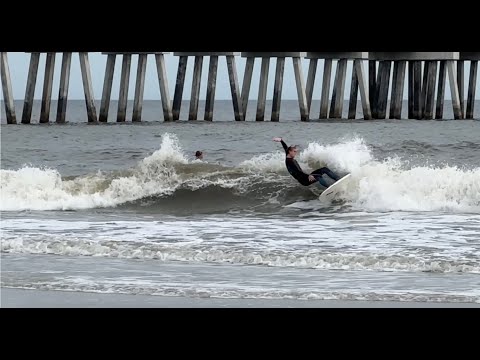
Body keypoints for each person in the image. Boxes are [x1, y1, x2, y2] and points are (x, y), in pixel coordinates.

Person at [273, 137, 340, 189]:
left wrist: (281, 140)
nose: (296, 153)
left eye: (296, 151)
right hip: (304, 180)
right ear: (290, 152)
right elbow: (298, 172)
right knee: (318, 177)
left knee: (324, 169)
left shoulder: (288, 156)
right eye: (294, 151)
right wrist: (309, 176)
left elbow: (286, 148)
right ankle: (329, 188)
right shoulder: (290, 162)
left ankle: (338, 179)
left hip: (305, 176)